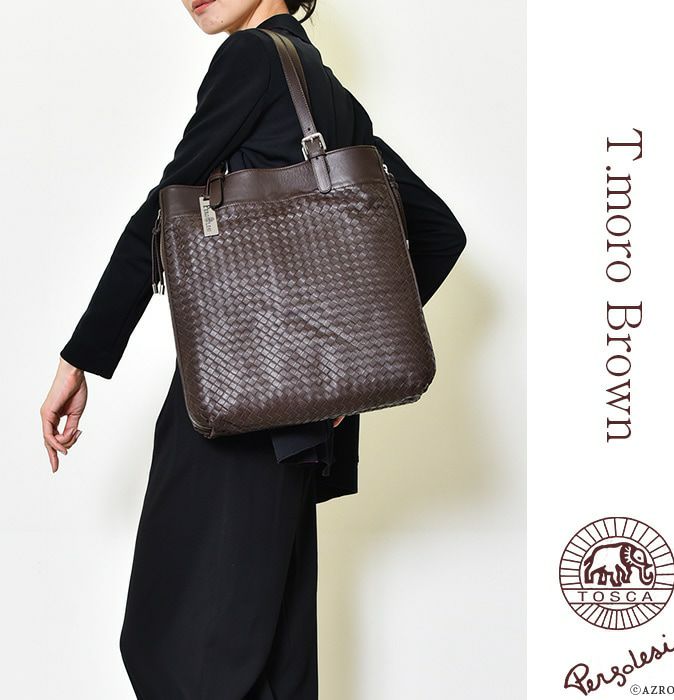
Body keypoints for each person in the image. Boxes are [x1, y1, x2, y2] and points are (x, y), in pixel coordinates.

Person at [39, 1, 467, 697]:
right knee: (268, 664)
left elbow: (164, 211)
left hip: (236, 405)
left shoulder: (251, 58)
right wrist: (340, 367)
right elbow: (440, 231)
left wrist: (80, 357)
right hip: (296, 431)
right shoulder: (327, 90)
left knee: (181, 651)